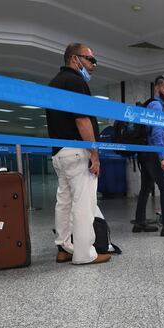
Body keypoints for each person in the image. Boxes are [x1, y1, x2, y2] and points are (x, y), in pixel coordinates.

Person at [46, 42, 111, 265]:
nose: (94, 65)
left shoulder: (54, 82)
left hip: (59, 153)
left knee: (63, 202)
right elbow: (82, 119)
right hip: (76, 151)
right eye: (90, 59)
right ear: (75, 59)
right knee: (84, 204)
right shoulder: (75, 81)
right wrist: (94, 154)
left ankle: (64, 248)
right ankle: (84, 254)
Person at [132, 75, 164, 236]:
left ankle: (139, 223)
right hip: (153, 152)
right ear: (157, 88)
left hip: (145, 153)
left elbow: (156, 130)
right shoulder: (156, 106)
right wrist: (162, 157)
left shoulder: (151, 105)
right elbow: (156, 134)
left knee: (146, 188)